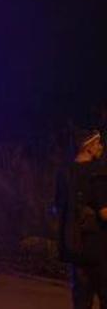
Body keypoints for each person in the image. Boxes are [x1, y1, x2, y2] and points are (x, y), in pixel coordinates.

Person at [56, 128, 107, 308]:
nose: (101, 147)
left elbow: (57, 208)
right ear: (88, 147)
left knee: (81, 299)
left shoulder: (64, 173)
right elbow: (104, 213)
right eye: (98, 143)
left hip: (74, 246)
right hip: (99, 248)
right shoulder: (98, 172)